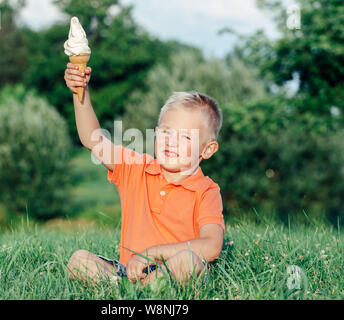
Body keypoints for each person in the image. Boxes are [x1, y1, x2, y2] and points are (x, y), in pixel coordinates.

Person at [64, 62, 225, 286]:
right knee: (79, 260)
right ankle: (128, 289)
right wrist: (79, 92)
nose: (171, 142)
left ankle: (136, 292)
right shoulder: (136, 168)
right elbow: (93, 140)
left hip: (171, 269)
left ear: (207, 150)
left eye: (185, 137)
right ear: (157, 133)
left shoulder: (207, 191)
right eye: (167, 132)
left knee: (189, 262)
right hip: (127, 271)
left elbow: (212, 246)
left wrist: (153, 253)